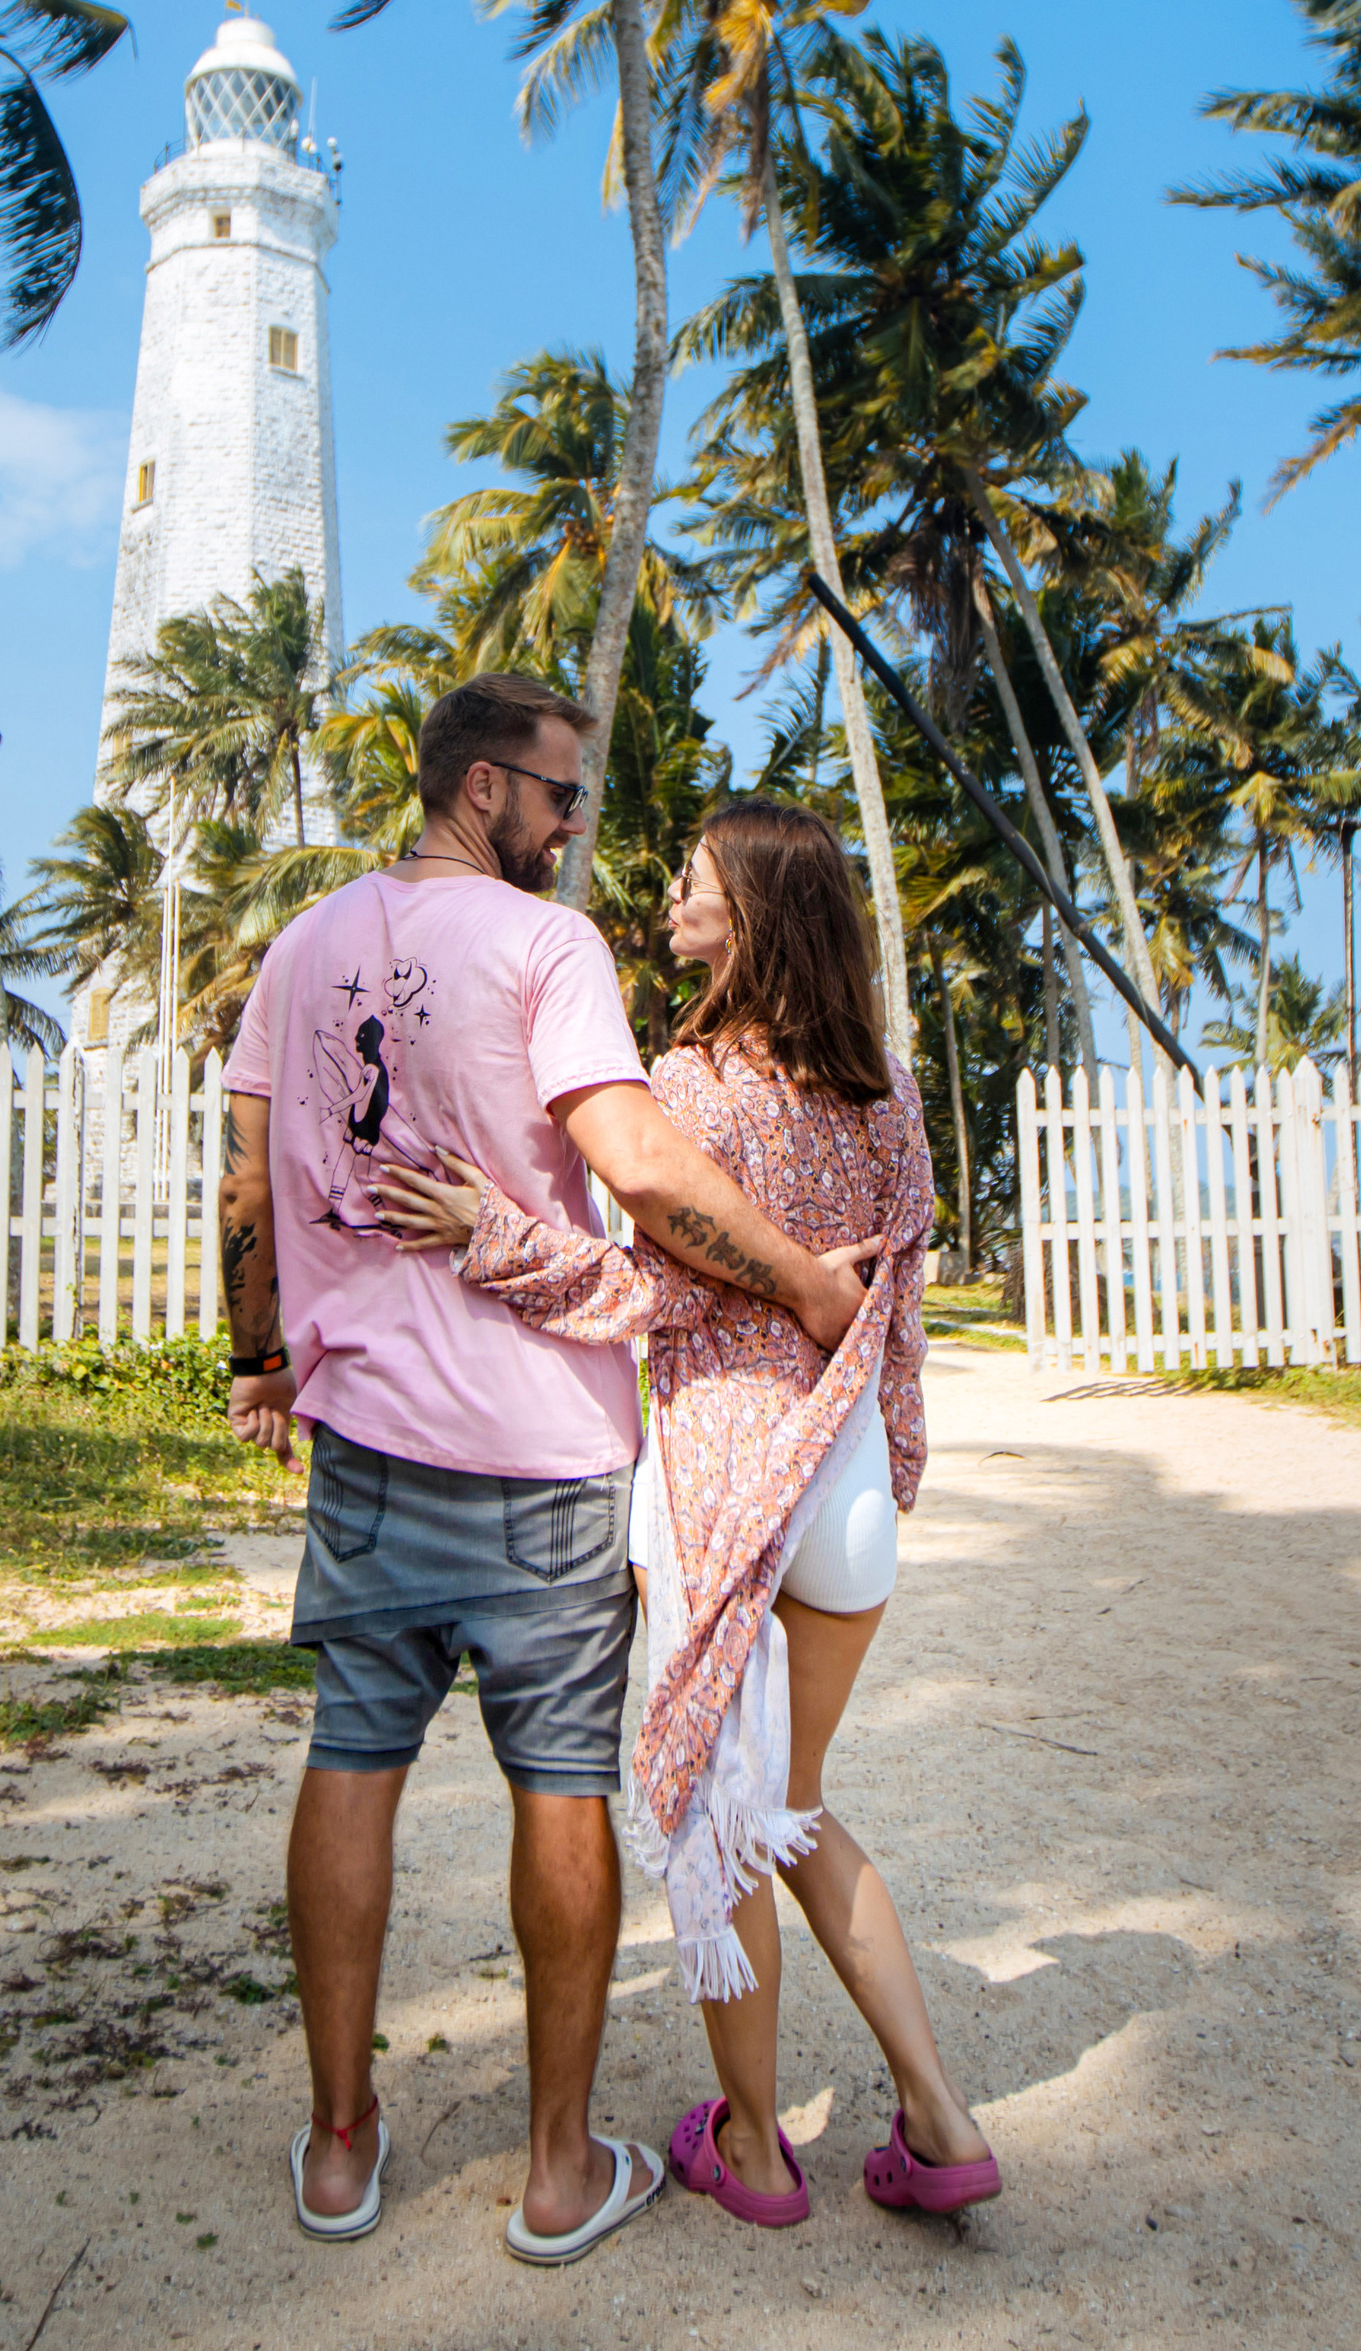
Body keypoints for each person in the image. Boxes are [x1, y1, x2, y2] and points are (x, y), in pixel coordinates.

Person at [216, 679, 882, 2267]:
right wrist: (804, 1282)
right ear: (483, 788)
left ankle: (339, 2145)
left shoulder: (301, 947)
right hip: (542, 1451)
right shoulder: (546, 945)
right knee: (560, 1788)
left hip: (367, 1443)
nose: (577, 823)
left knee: (352, 1758)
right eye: (562, 793)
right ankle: (559, 2171)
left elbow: (243, 1181)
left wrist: (258, 1356)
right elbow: (638, 1165)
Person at [374, 802, 1001, 2230]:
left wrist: (491, 1236)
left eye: (694, 881)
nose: (668, 896)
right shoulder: (890, 1092)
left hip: (724, 1483)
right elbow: (897, 1311)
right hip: (844, 1490)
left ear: (753, 915)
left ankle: (758, 2151)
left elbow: (645, 1288)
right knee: (793, 1808)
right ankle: (937, 2115)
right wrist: (894, 1456)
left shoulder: (692, 1088)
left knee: (728, 1823)